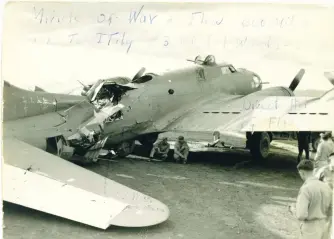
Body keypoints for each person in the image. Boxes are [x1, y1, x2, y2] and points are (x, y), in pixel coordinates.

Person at [290, 159, 332, 239]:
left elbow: (301, 215)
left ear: (301, 172)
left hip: (310, 229)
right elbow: (331, 210)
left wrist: (293, 209)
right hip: (325, 226)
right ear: (313, 171)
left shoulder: (306, 189)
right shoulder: (326, 187)